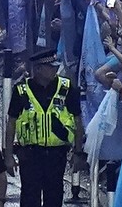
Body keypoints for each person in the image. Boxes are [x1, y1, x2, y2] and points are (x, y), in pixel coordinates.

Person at [7, 49, 75, 207]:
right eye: (50, 67)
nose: (55, 70)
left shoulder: (66, 88)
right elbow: (11, 122)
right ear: (38, 69)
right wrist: (9, 156)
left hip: (56, 154)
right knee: (30, 197)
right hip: (30, 154)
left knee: (54, 196)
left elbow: (77, 119)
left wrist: (78, 152)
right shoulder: (21, 91)